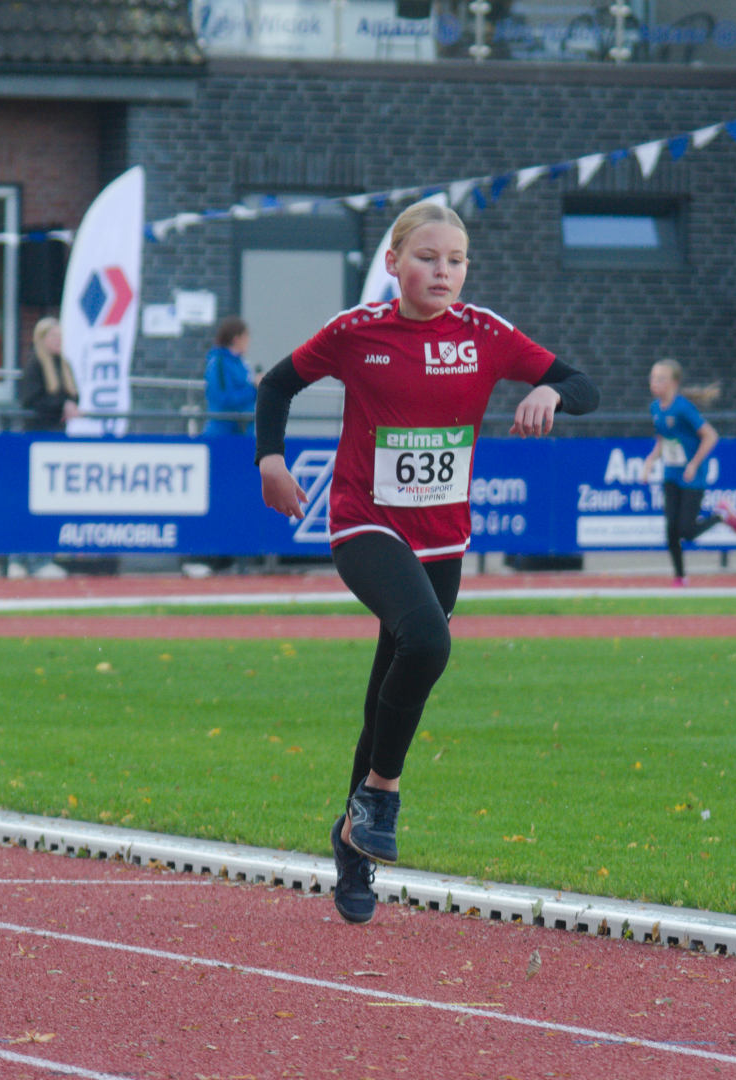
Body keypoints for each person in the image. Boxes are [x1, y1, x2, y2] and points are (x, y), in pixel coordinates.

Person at [255, 201, 599, 925]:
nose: (443, 272)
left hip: (443, 539)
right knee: (428, 642)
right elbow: (276, 385)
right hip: (365, 524)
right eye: (427, 257)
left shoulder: (484, 334)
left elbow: (584, 386)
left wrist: (550, 389)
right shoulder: (357, 332)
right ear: (393, 263)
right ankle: (381, 794)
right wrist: (271, 461)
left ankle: (353, 844)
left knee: (390, 681)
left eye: (456, 260)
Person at [638, 359, 736, 584]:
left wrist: (694, 464)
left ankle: (721, 515)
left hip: (692, 477)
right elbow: (663, 440)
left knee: (686, 530)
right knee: (671, 530)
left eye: (661, 379)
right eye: (653, 378)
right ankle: (680, 577)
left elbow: (710, 436)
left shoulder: (683, 408)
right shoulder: (655, 408)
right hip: (671, 475)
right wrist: (649, 462)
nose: (654, 383)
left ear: (674, 383)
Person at [19, 316, 79, 433]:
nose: (58, 340)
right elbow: (31, 399)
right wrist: (61, 405)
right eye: (53, 336)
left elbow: (74, 393)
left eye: (60, 336)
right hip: (39, 429)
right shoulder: (34, 364)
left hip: (59, 428)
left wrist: (71, 404)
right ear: (41, 339)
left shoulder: (64, 364)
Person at [203, 315, 259, 436]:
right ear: (236, 339)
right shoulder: (219, 363)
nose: (248, 342)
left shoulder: (241, 364)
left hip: (243, 432)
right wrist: (254, 388)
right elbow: (223, 398)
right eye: (246, 337)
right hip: (223, 434)